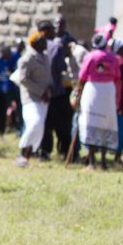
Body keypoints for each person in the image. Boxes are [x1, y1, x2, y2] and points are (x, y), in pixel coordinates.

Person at [72, 33, 123, 171]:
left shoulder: (90, 56)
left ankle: (92, 163)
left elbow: (82, 76)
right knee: (105, 123)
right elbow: (117, 77)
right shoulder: (113, 58)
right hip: (108, 91)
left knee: (91, 122)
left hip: (92, 90)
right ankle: (103, 163)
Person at [14, 31, 51, 167]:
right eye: (43, 41)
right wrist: (40, 91)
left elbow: (47, 76)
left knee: (39, 127)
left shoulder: (45, 58)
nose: (46, 43)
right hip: (31, 97)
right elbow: (23, 79)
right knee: (35, 122)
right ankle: (21, 150)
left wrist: (49, 89)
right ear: (35, 43)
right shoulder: (26, 59)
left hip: (44, 97)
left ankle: (27, 155)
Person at [39, 18, 74, 161]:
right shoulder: (56, 47)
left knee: (45, 124)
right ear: (47, 31)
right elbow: (61, 68)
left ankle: (44, 152)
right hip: (57, 92)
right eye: (52, 29)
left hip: (42, 93)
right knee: (62, 125)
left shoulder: (35, 47)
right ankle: (65, 152)